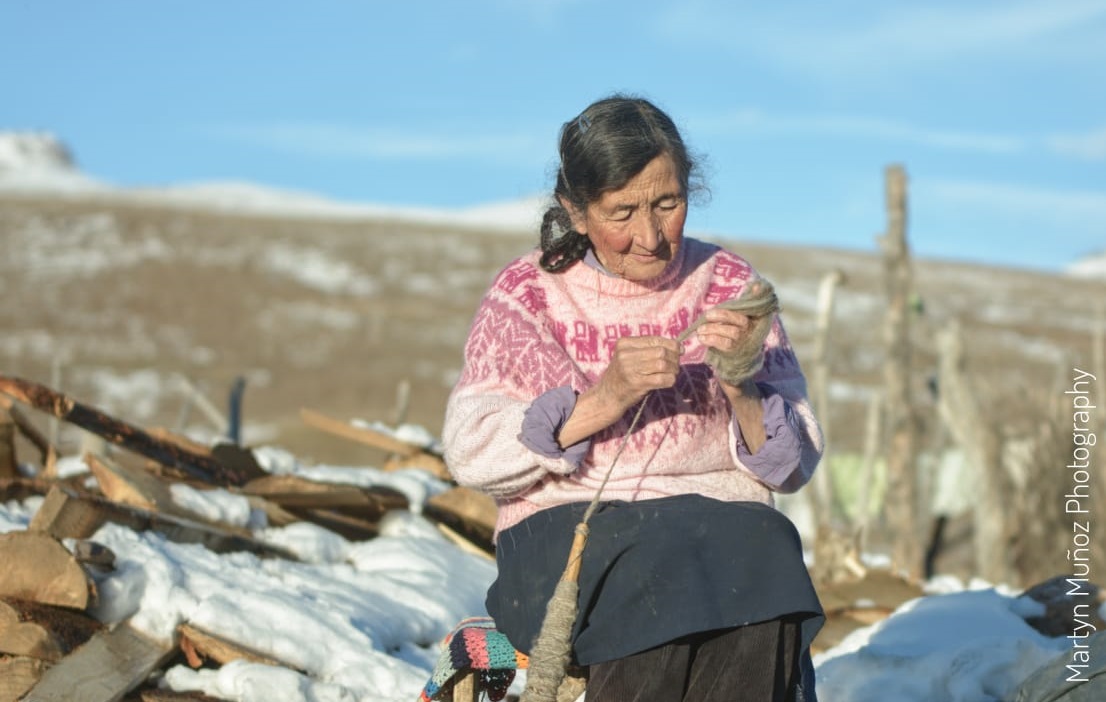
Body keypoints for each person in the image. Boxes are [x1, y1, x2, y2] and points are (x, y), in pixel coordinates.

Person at [442, 94, 824, 702]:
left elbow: (794, 463)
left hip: (722, 533)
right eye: (623, 212)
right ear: (576, 209)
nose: (649, 236)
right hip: (567, 539)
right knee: (658, 560)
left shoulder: (729, 285)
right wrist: (605, 397)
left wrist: (741, 387)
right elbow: (471, 451)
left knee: (766, 549)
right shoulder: (529, 292)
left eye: (668, 204)